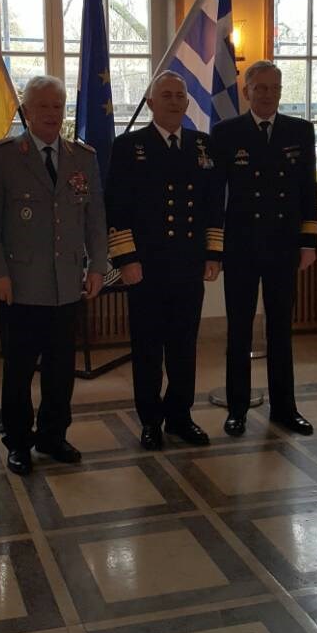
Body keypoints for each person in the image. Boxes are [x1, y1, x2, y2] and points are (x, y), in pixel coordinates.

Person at [0, 75, 107, 475]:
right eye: (43, 106)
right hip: (20, 285)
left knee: (61, 370)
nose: (51, 113)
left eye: (57, 106)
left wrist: (97, 265)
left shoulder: (82, 157)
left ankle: (53, 435)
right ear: (26, 111)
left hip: (67, 284)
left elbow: (95, 218)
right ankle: (18, 442)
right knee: (18, 370)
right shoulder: (2, 157)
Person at [105, 71, 223, 450]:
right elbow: (117, 208)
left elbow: (213, 205)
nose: (173, 101)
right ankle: (150, 421)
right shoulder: (129, 146)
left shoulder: (203, 146)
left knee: (184, 347)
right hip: (146, 267)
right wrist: (126, 258)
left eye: (179, 96)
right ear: (151, 103)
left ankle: (180, 416)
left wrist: (213, 253)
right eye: (166, 95)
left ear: (187, 103)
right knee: (148, 348)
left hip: (188, 264)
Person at [209, 60, 317, 437]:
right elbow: (214, 195)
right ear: (246, 92)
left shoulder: (300, 131)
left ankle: (285, 408)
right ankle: (237, 409)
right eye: (260, 88)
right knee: (238, 331)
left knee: (280, 330)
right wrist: (215, 248)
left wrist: (308, 241)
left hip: (283, 246)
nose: (268, 95)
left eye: (274, 88)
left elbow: (308, 191)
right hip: (241, 246)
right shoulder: (226, 133)